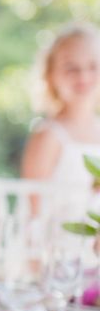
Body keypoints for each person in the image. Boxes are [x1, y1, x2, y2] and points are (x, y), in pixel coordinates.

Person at [21, 23, 100, 192]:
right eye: (71, 68)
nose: (83, 76)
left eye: (93, 66)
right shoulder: (49, 135)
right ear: (50, 75)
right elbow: (35, 211)